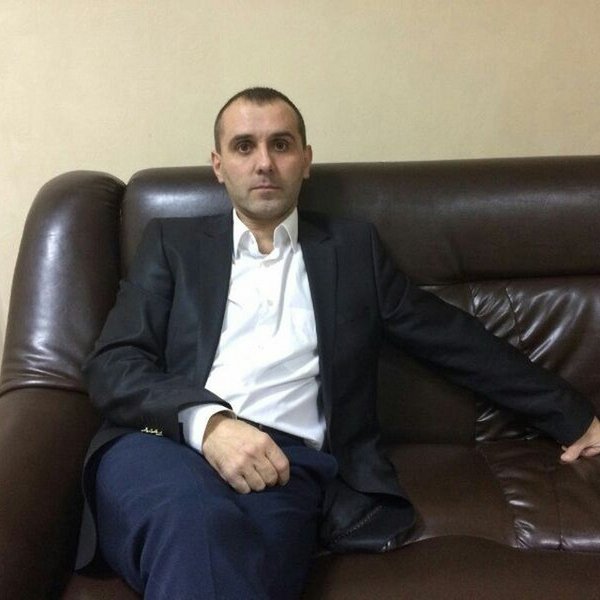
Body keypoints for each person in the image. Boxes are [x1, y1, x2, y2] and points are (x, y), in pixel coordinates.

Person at [77, 87, 600, 599]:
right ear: (218, 165)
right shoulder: (172, 245)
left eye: (281, 145)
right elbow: (114, 363)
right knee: (196, 518)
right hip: (165, 444)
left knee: (237, 560)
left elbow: (453, 339)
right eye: (244, 146)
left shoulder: (352, 250)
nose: (264, 162)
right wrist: (209, 424)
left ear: (305, 160)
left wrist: (574, 416)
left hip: (285, 468)